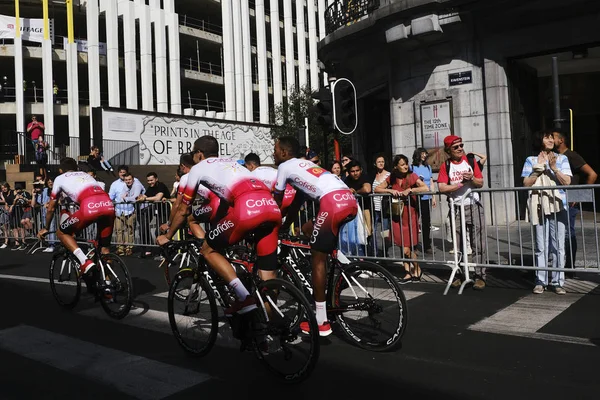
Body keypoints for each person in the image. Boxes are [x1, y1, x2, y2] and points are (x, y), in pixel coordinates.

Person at [157, 136, 282, 316]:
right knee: (268, 279)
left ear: (199, 154)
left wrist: (168, 235)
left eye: (193, 153)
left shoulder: (198, 168)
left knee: (207, 250)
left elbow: (183, 210)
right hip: (271, 207)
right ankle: (269, 326)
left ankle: (243, 297)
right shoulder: (232, 163)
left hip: (246, 210)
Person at [273, 136, 357, 336]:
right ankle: (342, 265)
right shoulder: (304, 165)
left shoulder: (284, 167)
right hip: (348, 200)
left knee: (317, 260)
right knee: (307, 229)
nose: (273, 154)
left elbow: (276, 204)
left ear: (284, 153)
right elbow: (296, 203)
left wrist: (272, 225)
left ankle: (321, 321)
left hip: (332, 202)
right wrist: (286, 225)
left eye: (275, 150)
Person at [37, 158, 115, 277]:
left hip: (89, 207)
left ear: (60, 170)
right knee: (104, 250)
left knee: (61, 232)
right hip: (108, 206)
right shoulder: (85, 174)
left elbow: (51, 208)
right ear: (76, 168)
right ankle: (108, 284)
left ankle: (84, 261)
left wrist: (46, 228)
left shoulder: (59, 178)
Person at [522, 130, 572, 295]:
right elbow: (526, 184)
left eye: (552, 137)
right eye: (546, 137)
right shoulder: (531, 160)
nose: (550, 140)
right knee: (541, 246)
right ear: (539, 140)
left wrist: (554, 168)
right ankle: (540, 281)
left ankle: (558, 282)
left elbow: (567, 182)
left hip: (558, 205)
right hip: (539, 206)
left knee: (558, 246)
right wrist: (539, 169)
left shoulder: (562, 158)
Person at [438, 135, 487, 290]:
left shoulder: (470, 162)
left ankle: (479, 276)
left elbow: (480, 183)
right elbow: (442, 188)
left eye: (461, 145)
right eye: (456, 147)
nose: (460, 149)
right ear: (448, 150)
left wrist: (471, 178)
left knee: (478, 243)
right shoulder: (445, 166)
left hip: (473, 205)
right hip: (456, 208)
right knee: (458, 245)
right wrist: (461, 184)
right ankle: (459, 274)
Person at [375, 154, 428, 281]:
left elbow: (425, 187)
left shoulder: (412, 176)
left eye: (406, 163)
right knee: (401, 245)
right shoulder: (391, 178)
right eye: (402, 164)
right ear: (396, 167)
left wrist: (410, 190)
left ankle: (417, 268)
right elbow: (377, 188)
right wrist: (390, 191)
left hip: (410, 215)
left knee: (408, 247)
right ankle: (408, 272)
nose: (405, 166)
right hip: (397, 214)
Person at [553, 130, 597, 272]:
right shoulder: (554, 156)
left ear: (561, 140)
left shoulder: (571, 156)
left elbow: (592, 174)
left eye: (552, 137)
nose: (549, 139)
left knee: (568, 233)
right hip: (558, 200)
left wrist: (579, 196)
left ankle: (569, 267)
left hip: (569, 201)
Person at [109, 166, 144, 256]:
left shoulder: (135, 181)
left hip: (130, 210)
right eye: (121, 172)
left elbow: (142, 191)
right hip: (119, 210)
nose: (123, 174)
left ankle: (129, 248)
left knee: (130, 230)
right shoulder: (114, 184)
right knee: (118, 230)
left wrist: (141, 196)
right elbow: (110, 197)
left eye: (124, 172)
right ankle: (120, 248)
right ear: (118, 173)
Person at [341, 160, 372, 256]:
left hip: (365, 210)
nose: (355, 173)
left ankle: (371, 260)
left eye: (357, 170)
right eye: (352, 171)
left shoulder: (365, 177)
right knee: (354, 237)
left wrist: (356, 192)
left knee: (368, 235)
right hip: (352, 213)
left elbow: (367, 189)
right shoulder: (346, 180)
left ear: (361, 170)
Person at [137, 172, 171, 258]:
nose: (150, 182)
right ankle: (154, 250)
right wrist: (140, 197)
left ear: (156, 179)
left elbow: (158, 198)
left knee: (159, 231)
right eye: (148, 181)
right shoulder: (150, 188)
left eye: (151, 180)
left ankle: (164, 253)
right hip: (157, 211)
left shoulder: (161, 186)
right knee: (145, 228)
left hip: (165, 211)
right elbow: (144, 195)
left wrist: (145, 198)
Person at [412, 148, 437, 254]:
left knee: (426, 222)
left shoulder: (428, 167)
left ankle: (427, 245)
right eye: (422, 154)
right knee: (414, 222)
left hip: (427, 197)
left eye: (425, 154)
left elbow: (431, 182)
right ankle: (414, 245)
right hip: (416, 197)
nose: (424, 156)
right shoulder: (412, 167)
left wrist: (433, 196)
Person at [371, 154, 390, 256]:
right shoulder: (372, 175)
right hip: (374, 206)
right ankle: (375, 252)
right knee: (373, 230)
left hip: (385, 207)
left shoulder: (388, 175)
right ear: (375, 163)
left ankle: (385, 252)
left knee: (385, 232)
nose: (381, 163)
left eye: (382, 161)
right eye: (379, 162)